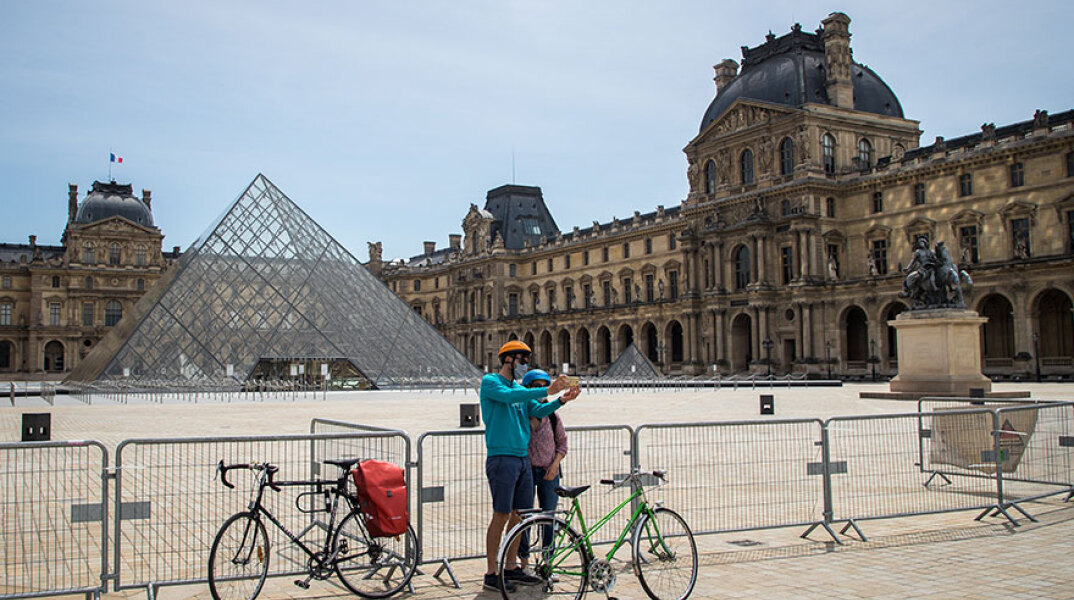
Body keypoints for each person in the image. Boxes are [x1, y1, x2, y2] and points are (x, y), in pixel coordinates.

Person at [480, 341, 580, 592]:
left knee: (520, 515)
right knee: (501, 515)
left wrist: (561, 400)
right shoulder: (491, 383)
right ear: (508, 360)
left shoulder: (517, 388)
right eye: (522, 361)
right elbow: (509, 397)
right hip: (502, 457)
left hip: (522, 458)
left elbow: (539, 408)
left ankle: (511, 567)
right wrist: (546, 387)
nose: (525, 366)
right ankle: (492, 572)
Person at [517, 369, 568, 573]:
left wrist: (555, 465)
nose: (541, 390)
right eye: (536, 386)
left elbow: (562, 444)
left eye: (543, 386)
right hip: (527, 473)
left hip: (550, 473)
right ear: (527, 389)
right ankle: (524, 563)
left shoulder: (553, 416)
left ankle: (548, 564)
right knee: (525, 519)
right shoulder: (521, 416)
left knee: (549, 519)